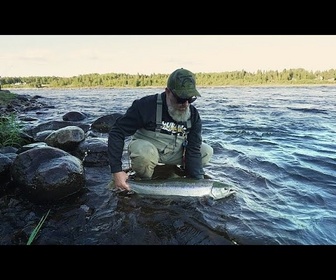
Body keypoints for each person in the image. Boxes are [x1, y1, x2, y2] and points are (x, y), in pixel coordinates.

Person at [107, 68, 213, 191]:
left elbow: (193, 149)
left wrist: (198, 183)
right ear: (167, 92)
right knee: (144, 153)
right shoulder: (145, 106)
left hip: (174, 153)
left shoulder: (193, 115)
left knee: (205, 151)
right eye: (180, 98)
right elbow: (117, 132)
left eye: (190, 99)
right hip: (148, 151)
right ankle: (143, 181)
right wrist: (116, 171)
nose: (185, 104)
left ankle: (180, 174)